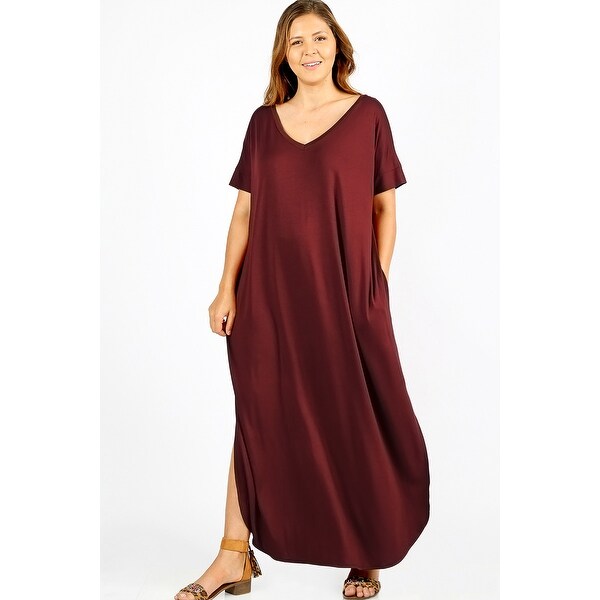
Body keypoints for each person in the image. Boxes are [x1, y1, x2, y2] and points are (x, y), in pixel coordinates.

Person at [175, 2, 430, 599]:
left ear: (337, 45)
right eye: (296, 41)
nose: (309, 49)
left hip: (345, 293)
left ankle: (366, 551)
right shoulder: (264, 123)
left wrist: (374, 283)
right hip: (269, 295)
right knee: (257, 413)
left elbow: (384, 206)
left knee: (353, 413)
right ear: (283, 54)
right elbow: (245, 212)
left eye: (319, 38)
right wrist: (226, 287)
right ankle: (233, 555)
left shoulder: (368, 115)